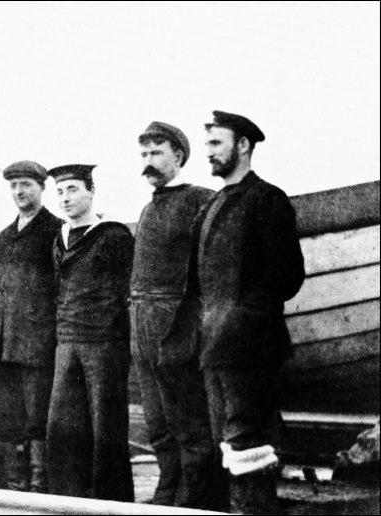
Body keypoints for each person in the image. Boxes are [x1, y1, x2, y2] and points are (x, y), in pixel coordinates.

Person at [162, 111, 305, 514]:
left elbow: (287, 275)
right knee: (224, 443)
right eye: (206, 144)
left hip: (248, 349)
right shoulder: (212, 206)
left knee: (247, 443)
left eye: (216, 143)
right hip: (213, 348)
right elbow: (198, 287)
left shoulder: (266, 199)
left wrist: (238, 319)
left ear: (242, 145)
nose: (208, 152)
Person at [130, 121, 217, 508]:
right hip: (142, 322)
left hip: (177, 322)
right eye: (144, 153)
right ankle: (168, 488)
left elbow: (213, 267)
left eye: (157, 152)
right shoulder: (149, 208)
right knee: (157, 420)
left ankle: (195, 498)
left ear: (178, 156)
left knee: (188, 418)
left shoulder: (201, 199)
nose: (148, 161)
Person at [45, 164, 135, 502]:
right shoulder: (60, 238)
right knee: (62, 428)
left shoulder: (113, 235)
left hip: (104, 345)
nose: (65, 198)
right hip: (67, 343)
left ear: (91, 191)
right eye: (60, 192)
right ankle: (68, 503)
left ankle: (112, 505)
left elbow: (127, 291)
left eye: (73, 189)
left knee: (105, 429)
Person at [0, 160, 63, 493]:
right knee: (8, 417)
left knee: (38, 417)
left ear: (42, 188)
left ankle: (39, 483)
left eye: (26, 185)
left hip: (38, 342)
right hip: (5, 345)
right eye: (14, 186)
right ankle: (16, 483)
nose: (19, 192)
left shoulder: (55, 230)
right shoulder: (5, 235)